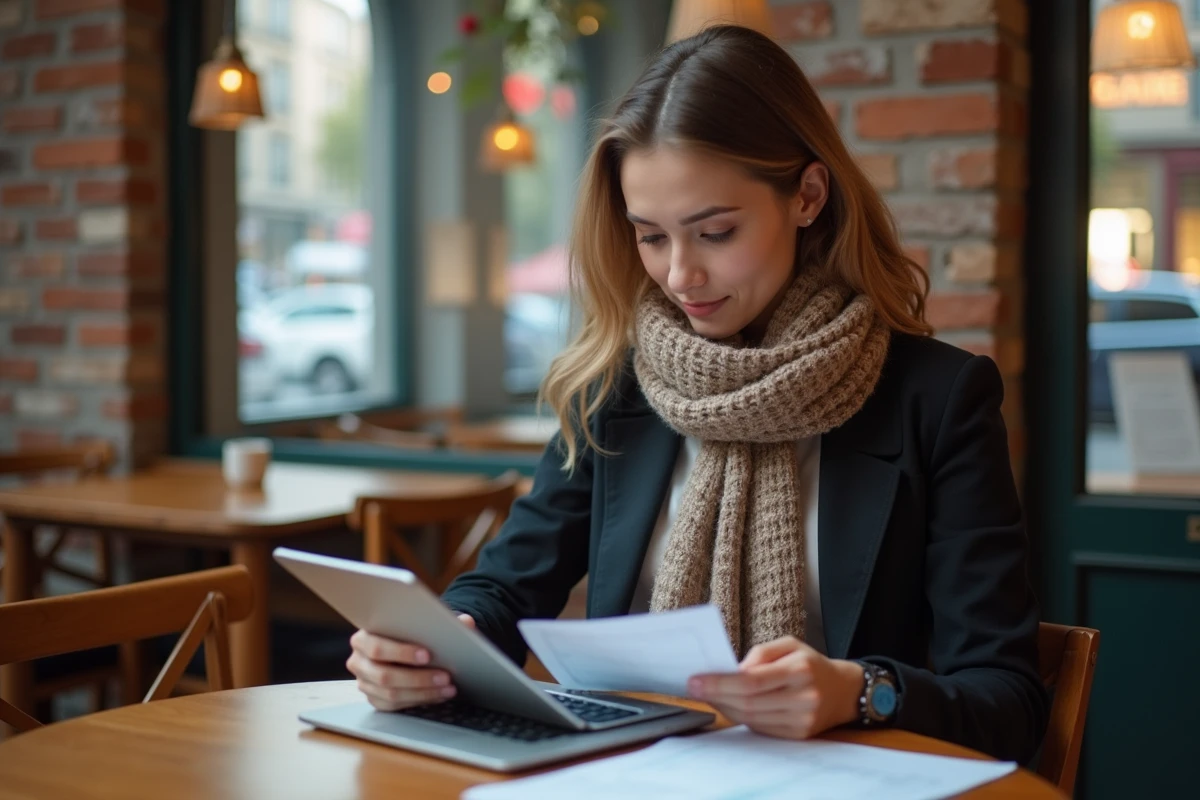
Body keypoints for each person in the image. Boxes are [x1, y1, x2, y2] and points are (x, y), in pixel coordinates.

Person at [347, 24, 1048, 763]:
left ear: (807, 196)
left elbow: (1009, 703)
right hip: (632, 774)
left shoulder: (937, 400)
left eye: (714, 233)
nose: (681, 275)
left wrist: (859, 690)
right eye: (651, 236)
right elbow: (504, 588)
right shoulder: (615, 387)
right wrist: (436, 646)